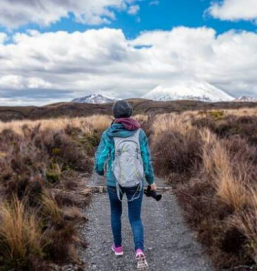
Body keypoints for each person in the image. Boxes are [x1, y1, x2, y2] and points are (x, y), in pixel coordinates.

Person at [94, 100, 156, 270]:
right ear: (130, 113)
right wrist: (151, 181)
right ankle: (139, 251)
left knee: (115, 212)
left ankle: (118, 247)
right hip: (135, 182)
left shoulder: (108, 133)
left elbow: (100, 159)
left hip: (114, 182)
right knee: (135, 218)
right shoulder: (140, 133)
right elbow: (146, 159)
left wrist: (100, 172)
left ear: (114, 115)